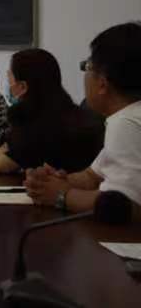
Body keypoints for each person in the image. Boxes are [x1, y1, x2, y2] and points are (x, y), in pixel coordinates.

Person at [25, 22, 141, 212]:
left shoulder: (126, 123)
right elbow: (92, 177)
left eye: (86, 66)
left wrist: (62, 196)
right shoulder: (130, 117)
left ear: (102, 84)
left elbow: (126, 206)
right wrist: (51, 182)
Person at [0, 49, 104, 173]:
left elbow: (1, 164)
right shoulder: (71, 112)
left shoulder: (38, 121)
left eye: (10, 79)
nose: (9, 84)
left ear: (23, 87)